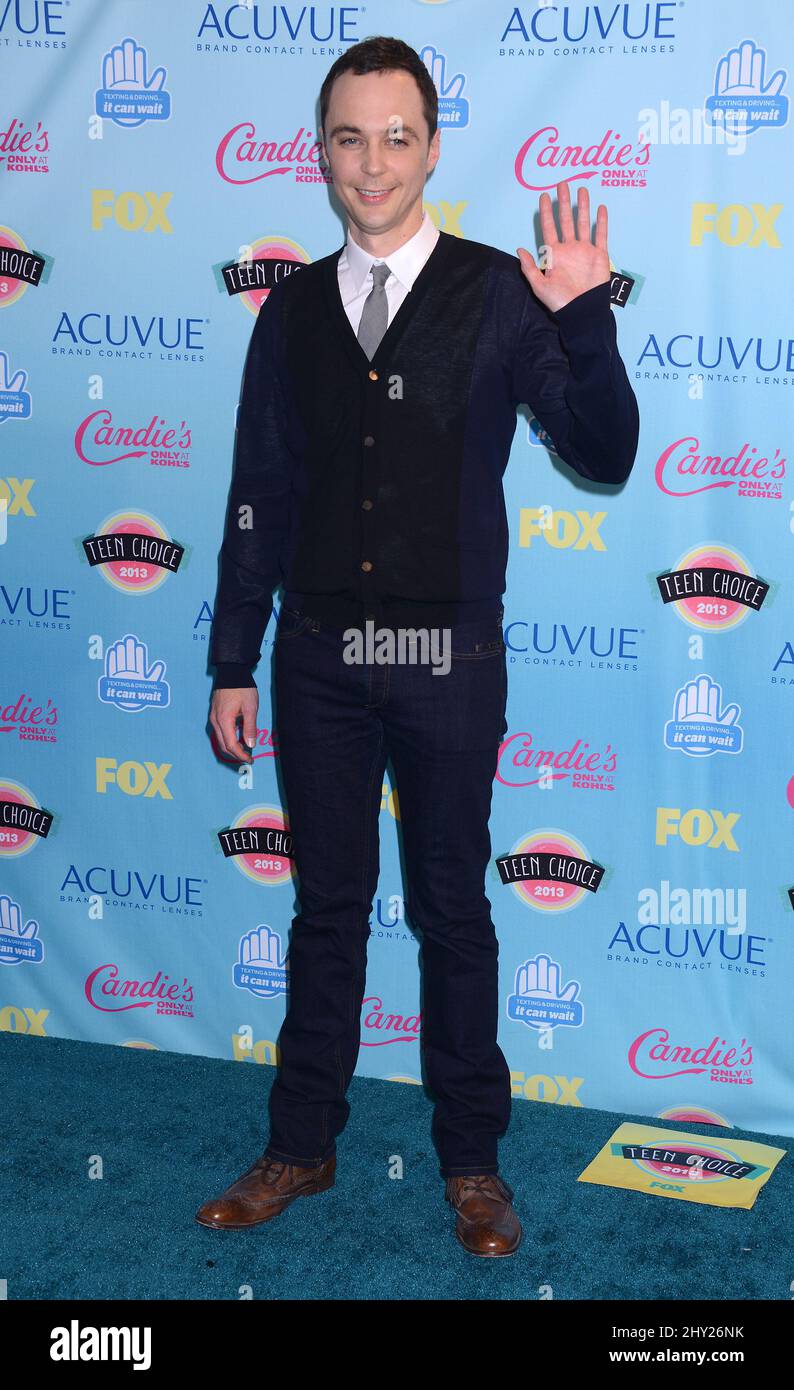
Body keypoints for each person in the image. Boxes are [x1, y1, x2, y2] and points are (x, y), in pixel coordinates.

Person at [196, 35, 639, 1257]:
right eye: (350, 137)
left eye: (397, 136)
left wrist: (587, 320)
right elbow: (258, 494)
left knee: (453, 909)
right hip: (319, 662)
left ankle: (473, 1163)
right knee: (327, 909)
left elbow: (604, 454)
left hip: (450, 661)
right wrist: (234, 656)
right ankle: (301, 1142)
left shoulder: (504, 290)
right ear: (322, 151)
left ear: (431, 147)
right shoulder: (287, 311)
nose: (373, 161)